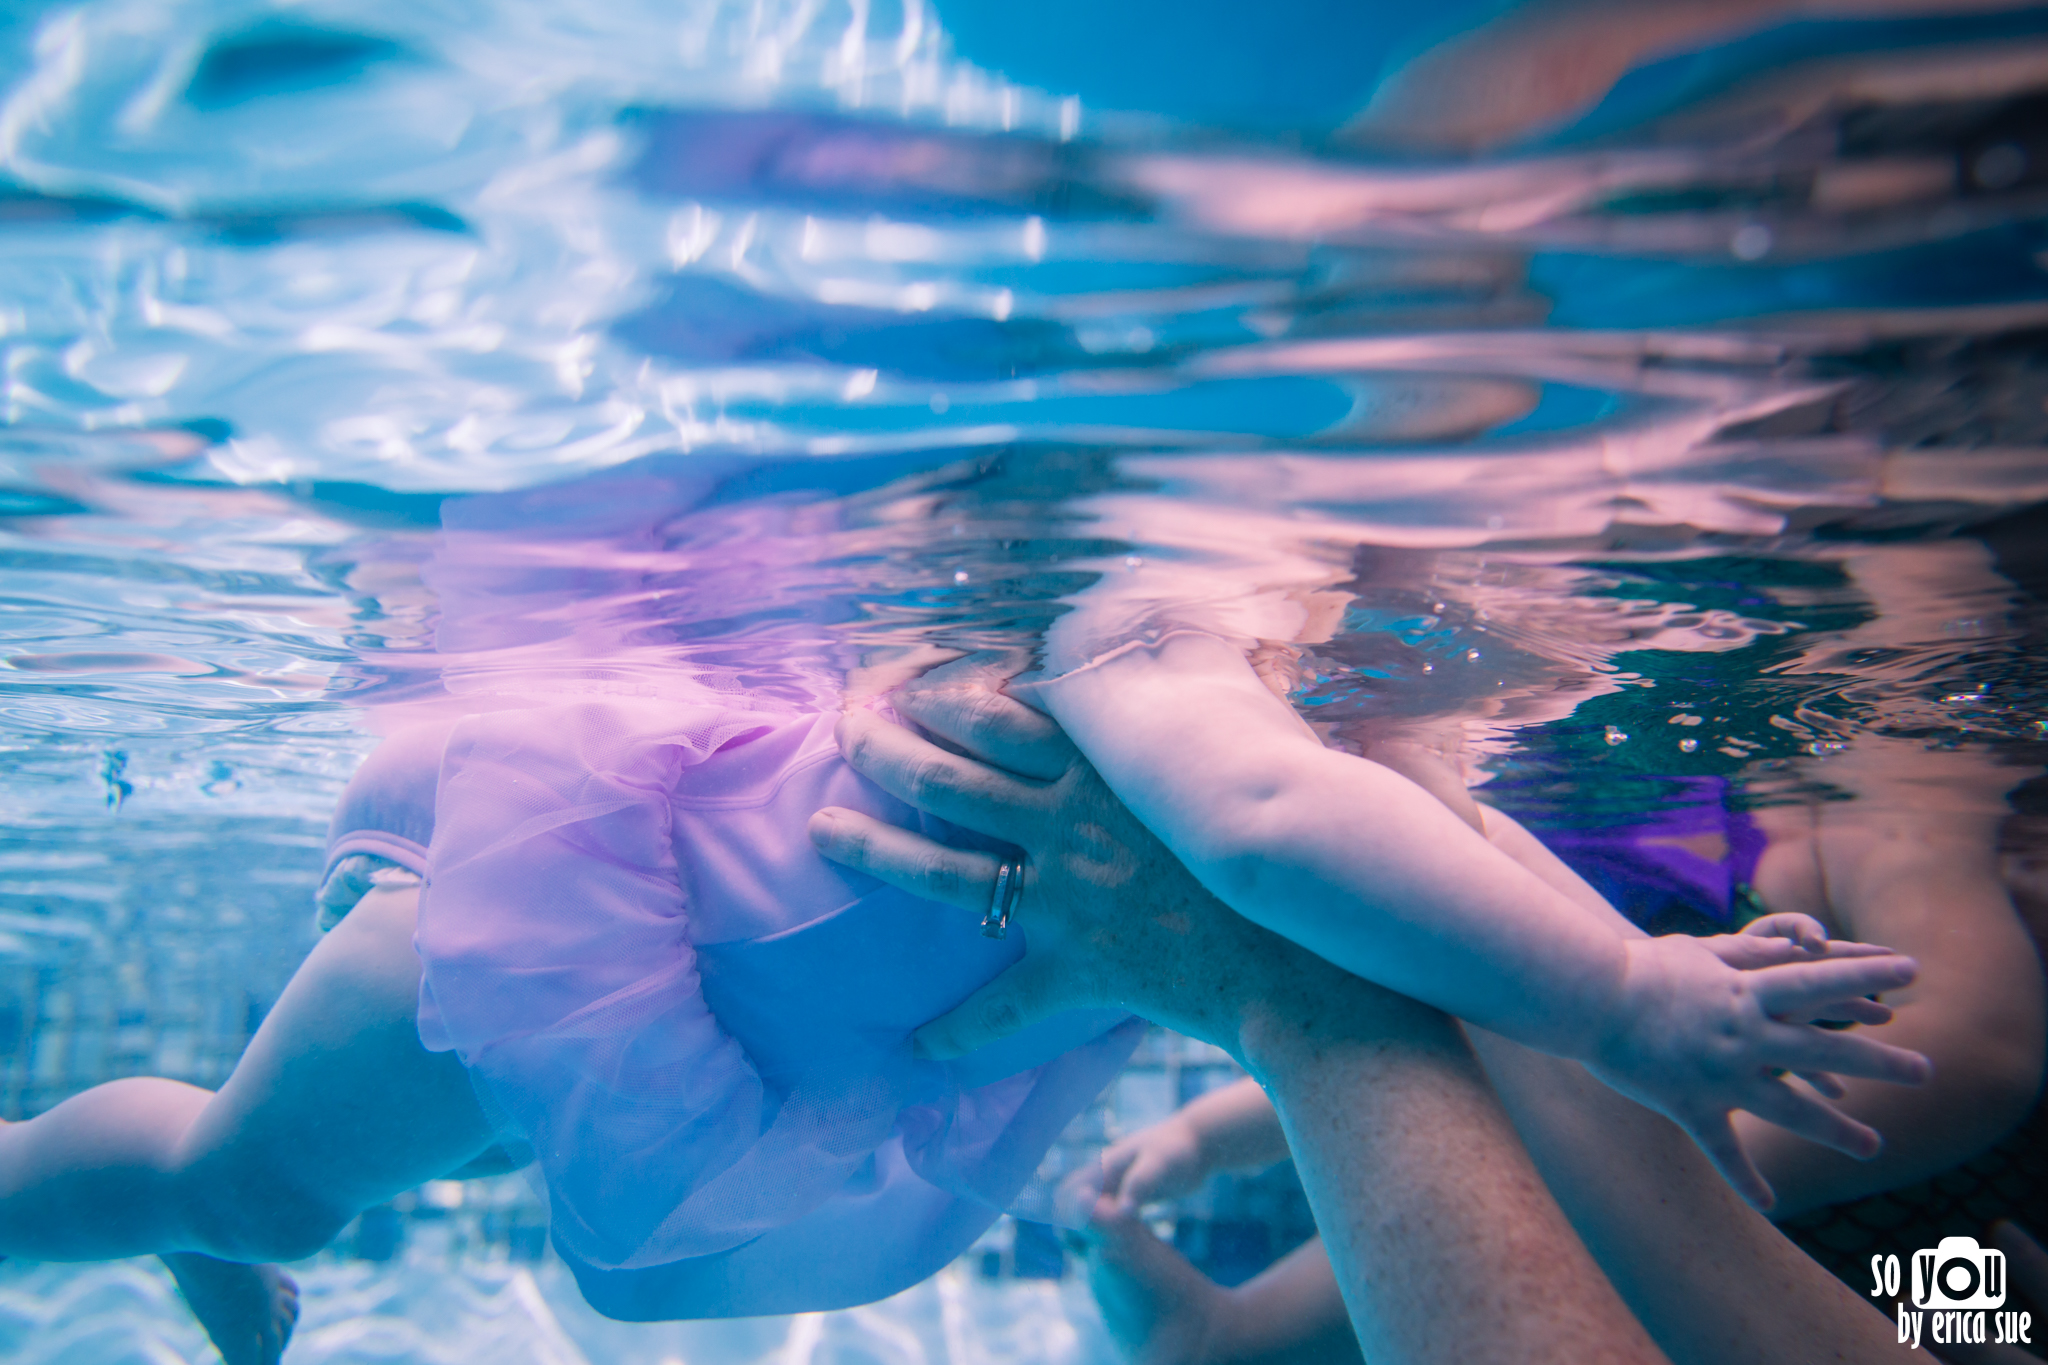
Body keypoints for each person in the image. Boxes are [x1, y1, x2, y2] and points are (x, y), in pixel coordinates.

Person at [807, 667, 1937, 1365]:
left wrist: (1624, 995)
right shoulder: (1151, 615)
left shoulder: (1138, 605)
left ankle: (1223, 1342)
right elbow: (1258, 821)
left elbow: (1266, 826)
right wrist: (1621, 994)